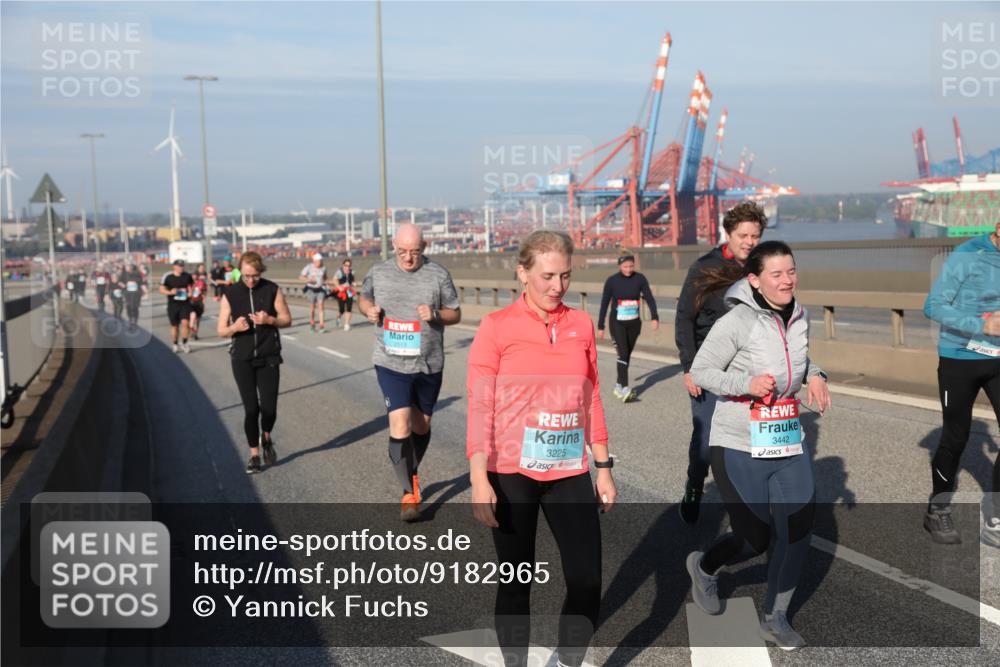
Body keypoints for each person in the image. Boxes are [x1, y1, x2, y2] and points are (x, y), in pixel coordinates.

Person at [467, 230, 616, 667]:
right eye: (547, 276)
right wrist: (479, 478)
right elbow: (480, 403)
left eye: (565, 276)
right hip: (511, 471)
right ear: (523, 273)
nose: (557, 286)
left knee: (587, 580)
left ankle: (569, 661)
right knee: (517, 580)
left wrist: (603, 465)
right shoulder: (497, 327)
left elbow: (591, 397)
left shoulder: (581, 324)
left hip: (569, 469)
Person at [686, 241, 831, 651]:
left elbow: (797, 361)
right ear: (755, 279)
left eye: (791, 271)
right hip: (739, 442)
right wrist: (745, 385)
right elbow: (703, 371)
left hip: (787, 440)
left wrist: (817, 374)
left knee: (798, 528)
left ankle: (776, 617)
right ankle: (706, 567)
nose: (787, 281)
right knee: (755, 539)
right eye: (776, 274)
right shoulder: (738, 321)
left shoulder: (800, 315)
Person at [359, 223, 461, 521]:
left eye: (414, 252)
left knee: (421, 426)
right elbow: (364, 297)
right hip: (390, 362)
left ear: (424, 247)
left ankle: (411, 471)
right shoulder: (379, 271)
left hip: (428, 362)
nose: (407, 258)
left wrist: (437, 314)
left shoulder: (438, 274)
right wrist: (368, 310)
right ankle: (409, 493)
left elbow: (455, 312)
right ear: (394, 246)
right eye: (402, 252)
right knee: (399, 423)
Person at [675, 200, 766, 523]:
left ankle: (747, 502)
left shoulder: (760, 268)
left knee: (748, 439)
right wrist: (689, 368)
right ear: (727, 233)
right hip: (708, 369)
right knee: (705, 442)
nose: (749, 242)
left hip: (748, 371)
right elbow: (685, 318)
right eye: (743, 235)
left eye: (755, 236)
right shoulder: (704, 268)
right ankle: (695, 484)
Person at [922, 222, 1000, 547]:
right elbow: (933, 306)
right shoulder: (968, 255)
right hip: (959, 359)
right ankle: (937, 508)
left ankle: (995, 517)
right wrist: (982, 325)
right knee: (956, 437)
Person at [217, 251, 292, 474]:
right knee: (251, 409)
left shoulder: (271, 289)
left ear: (261, 273)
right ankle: (254, 455)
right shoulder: (230, 293)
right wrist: (234, 328)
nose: (251, 280)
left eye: (255, 276)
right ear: (240, 271)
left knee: (269, 409)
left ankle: (266, 435)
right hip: (242, 358)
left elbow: (286, 319)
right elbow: (221, 330)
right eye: (247, 275)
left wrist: (269, 320)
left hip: (269, 356)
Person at [597, 253, 659, 402]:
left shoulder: (640, 279)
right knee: (623, 353)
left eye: (631, 266)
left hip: (634, 323)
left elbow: (649, 297)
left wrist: (654, 317)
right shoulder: (612, 281)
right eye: (625, 266)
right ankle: (624, 387)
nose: (629, 269)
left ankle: (618, 385)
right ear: (620, 266)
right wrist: (601, 325)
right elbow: (604, 303)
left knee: (626, 355)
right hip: (617, 323)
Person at [159, 259, 195, 353]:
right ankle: (175, 344)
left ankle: (185, 343)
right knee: (174, 326)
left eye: (182, 266)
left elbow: (191, 286)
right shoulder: (168, 277)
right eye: (179, 266)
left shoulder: (187, 276)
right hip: (173, 305)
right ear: (174, 266)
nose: (181, 268)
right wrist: (170, 292)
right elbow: (161, 289)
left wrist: (190, 292)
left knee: (185, 323)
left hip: (185, 304)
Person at [300, 252, 329, 332]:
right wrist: (309, 280)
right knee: (312, 308)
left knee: (321, 306)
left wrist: (325, 282)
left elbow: (325, 277)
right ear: (314, 261)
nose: (319, 263)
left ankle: (322, 325)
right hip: (311, 289)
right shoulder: (309, 267)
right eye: (318, 261)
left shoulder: (323, 268)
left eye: (321, 261)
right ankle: (312, 321)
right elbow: (301, 277)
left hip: (320, 289)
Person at [333, 258, 356, 331]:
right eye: (346, 265)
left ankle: (346, 324)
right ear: (343, 265)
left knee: (349, 308)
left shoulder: (352, 272)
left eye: (349, 266)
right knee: (342, 309)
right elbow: (334, 280)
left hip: (349, 291)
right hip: (341, 292)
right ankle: (338, 317)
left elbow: (352, 280)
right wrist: (339, 287)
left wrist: (353, 283)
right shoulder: (339, 272)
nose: (347, 267)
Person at [122, 263, 146, 329]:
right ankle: (130, 319)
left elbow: (142, 283)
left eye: (129, 267)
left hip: (136, 293)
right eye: (127, 267)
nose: (128, 268)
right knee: (129, 306)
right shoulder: (123, 274)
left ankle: (135, 320)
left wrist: (145, 291)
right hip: (127, 293)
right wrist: (123, 285)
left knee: (135, 307)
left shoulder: (138, 274)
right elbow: (119, 281)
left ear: (132, 268)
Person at [189, 263, 209, 340]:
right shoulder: (189, 283)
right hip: (191, 302)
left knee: (198, 319)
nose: (194, 276)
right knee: (193, 315)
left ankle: (195, 333)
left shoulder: (201, 283)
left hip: (199, 302)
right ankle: (191, 327)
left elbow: (204, 293)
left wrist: (204, 303)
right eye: (193, 275)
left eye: (195, 275)